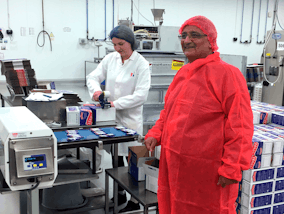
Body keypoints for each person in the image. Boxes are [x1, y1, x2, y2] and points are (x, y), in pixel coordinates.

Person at [144, 16, 254, 213]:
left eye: (195, 35)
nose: (187, 40)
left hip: (207, 172)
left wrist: (232, 167)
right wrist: (156, 133)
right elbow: (168, 112)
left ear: (210, 40)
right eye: (183, 35)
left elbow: (241, 126)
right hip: (175, 167)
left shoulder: (228, 74)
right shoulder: (183, 73)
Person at [87, 25, 151, 212]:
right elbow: (93, 76)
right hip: (110, 118)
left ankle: (134, 201)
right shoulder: (110, 58)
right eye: (114, 44)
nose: (117, 48)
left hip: (130, 119)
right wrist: (96, 91)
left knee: (134, 161)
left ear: (131, 42)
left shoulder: (141, 64)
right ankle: (120, 192)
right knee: (116, 157)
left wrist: (116, 104)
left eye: (120, 44)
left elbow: (141, 96)